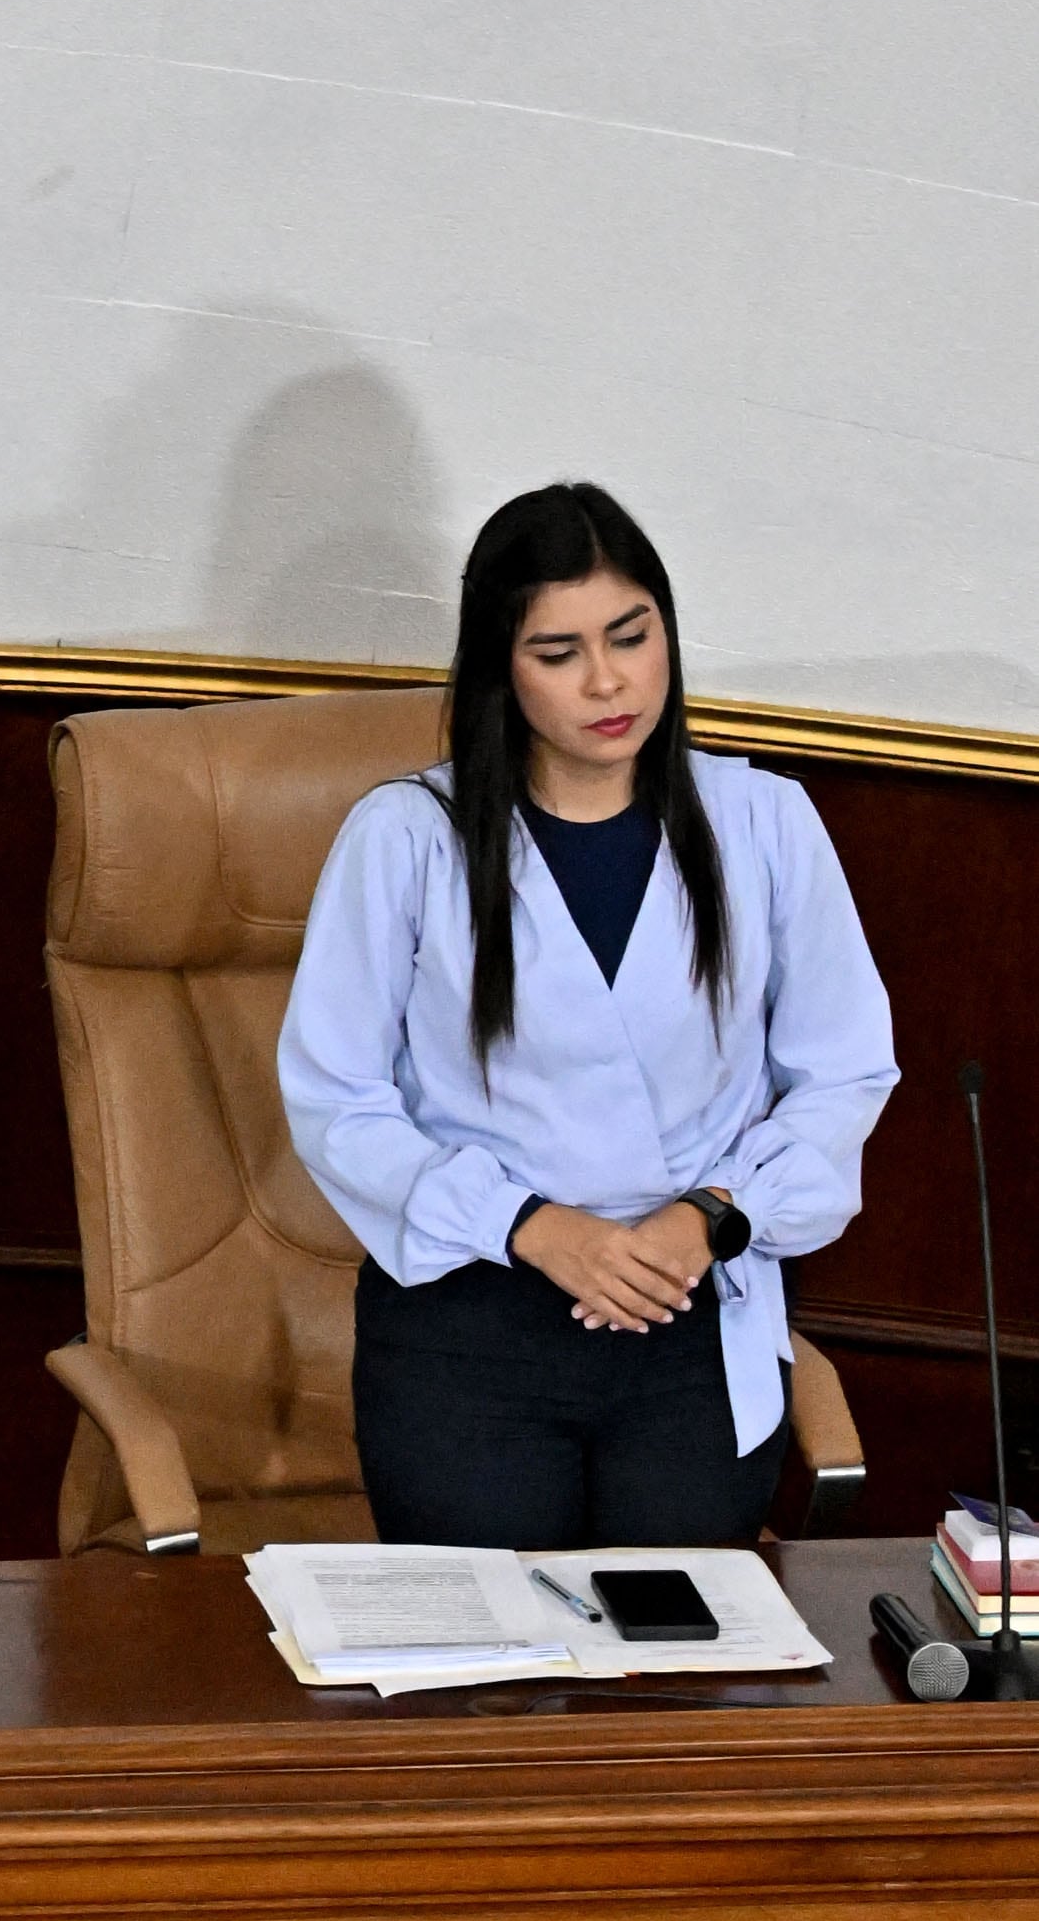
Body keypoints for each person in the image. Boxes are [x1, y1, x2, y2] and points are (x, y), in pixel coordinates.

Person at [278, 483, 896, 1549]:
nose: (606, 681)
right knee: (488, 1686)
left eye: (629, 635)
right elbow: (335, 1100)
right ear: (498, 668)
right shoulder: (403, 837)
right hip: (468, 1323)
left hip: (690, 1307)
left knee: (679, 1673)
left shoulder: (762, 822)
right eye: (556, 651)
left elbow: (842, 1073)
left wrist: (705, 1214)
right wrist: (530, 1225)